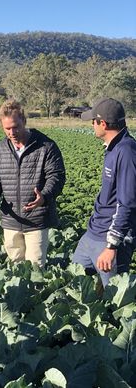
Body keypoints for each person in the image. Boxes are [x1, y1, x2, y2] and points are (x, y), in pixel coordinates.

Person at [0, 99, 66, 267]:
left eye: (15, 127)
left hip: (37, 219)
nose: (12, 132)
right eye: (7, 128)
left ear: (24, 122)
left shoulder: (46, 146)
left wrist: (45, 196)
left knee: (35, 267)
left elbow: (56, 176)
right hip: (10, 220)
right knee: (15, 266)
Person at [73, 97, 136, 287]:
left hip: (109, 239)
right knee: (75, 283)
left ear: (103, 123)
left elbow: (127, 203)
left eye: (93, 121)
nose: (92, 125)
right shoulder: (114, 147)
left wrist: (112, 246)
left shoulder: (127, 152)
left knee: (114, 300)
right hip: (93, 233)